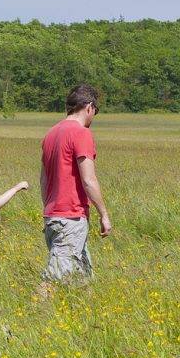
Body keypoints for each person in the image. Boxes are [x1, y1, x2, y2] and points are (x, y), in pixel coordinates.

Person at [39, 84, 111, 285]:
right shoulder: (81, 133)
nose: (93, 117)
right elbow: (88, 180)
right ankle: (33, 311)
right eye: (95, 112)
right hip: (70, 219)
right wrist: (104, 214)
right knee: (53, 280)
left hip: (53, 217)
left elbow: (43, 180)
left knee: (82, 281)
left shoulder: (51, 134)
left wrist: (50, 209)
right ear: (89, 107)